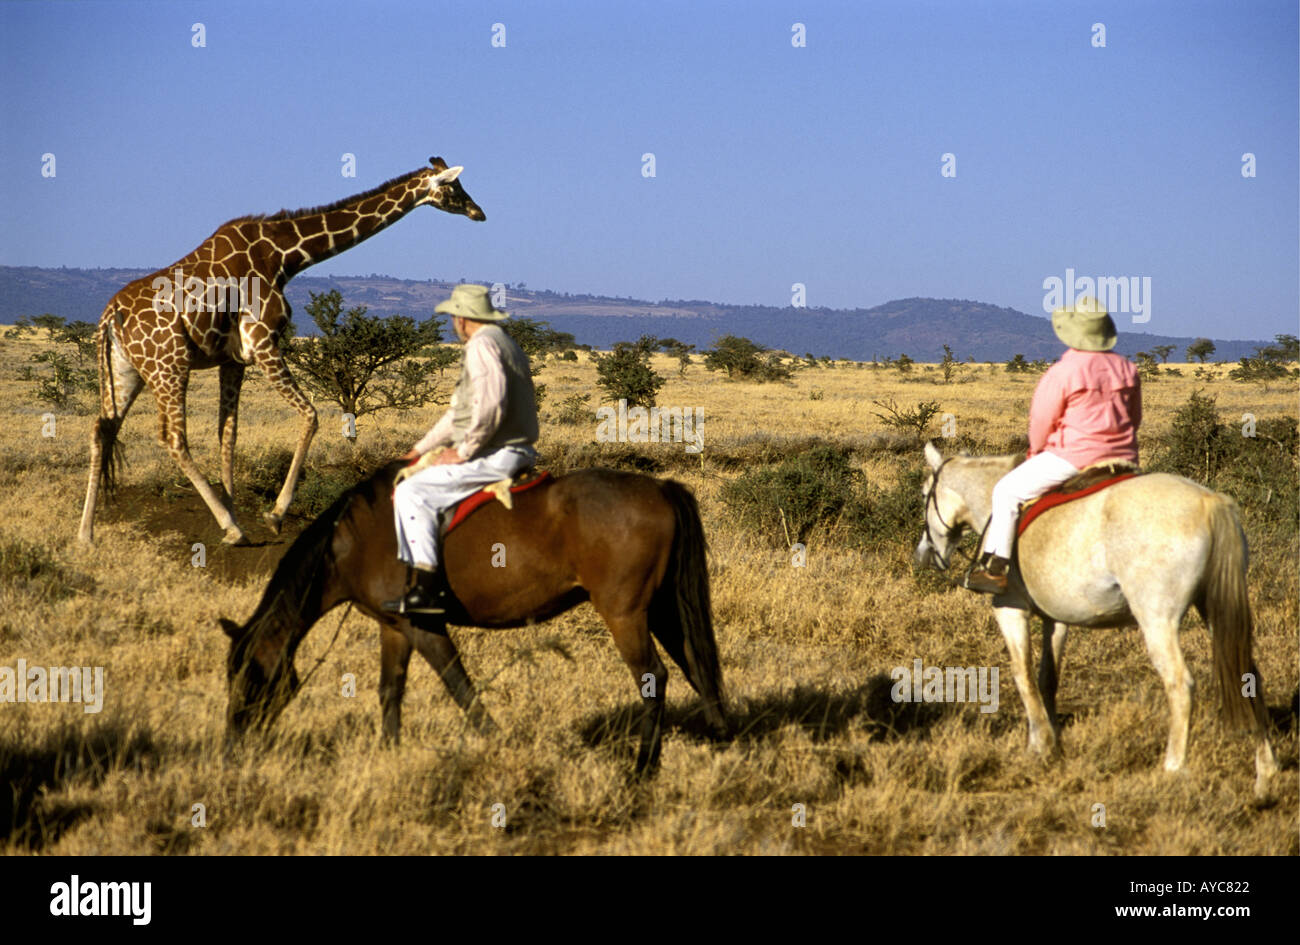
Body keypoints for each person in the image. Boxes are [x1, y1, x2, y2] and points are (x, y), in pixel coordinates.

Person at [965, 296, 1141, 594]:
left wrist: (1035, 453)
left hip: (1072, 459)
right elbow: (1134, 418)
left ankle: (996, 569)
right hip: (1124, 459)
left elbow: (1041, 421)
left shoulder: (1064, 370)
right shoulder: (1127, 368)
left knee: (1006, 491)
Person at [384, 284, 539, 615]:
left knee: (412, 491)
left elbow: (490, 405)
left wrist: (463, 451)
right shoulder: (503, 341)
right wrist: (419, 450)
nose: (453, 323)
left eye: (454, 316)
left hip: (496, 453)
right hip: (510, 449)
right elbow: (458, 413)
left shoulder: (481, 345)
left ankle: (425, 589)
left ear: (462, 318)